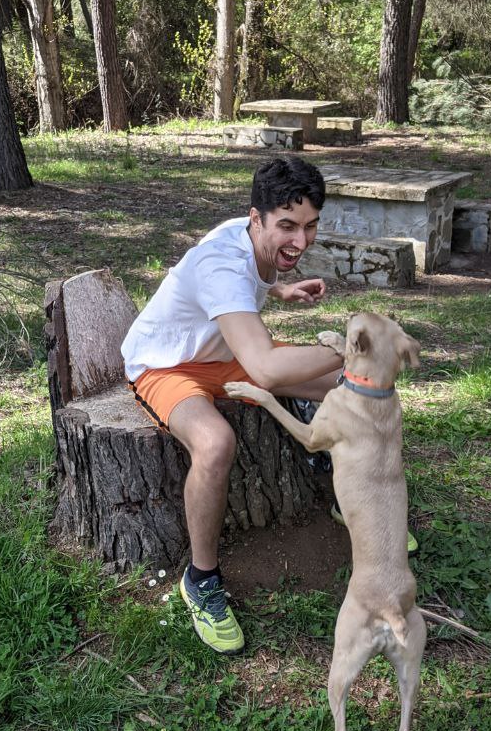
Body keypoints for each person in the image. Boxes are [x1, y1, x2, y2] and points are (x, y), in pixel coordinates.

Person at [121, 155, 344, 655]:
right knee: (216, 443)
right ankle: (201, 579)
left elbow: (249, 279)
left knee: (348, 386)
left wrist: (279, 288)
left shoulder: (241, 234)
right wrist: (354, 348)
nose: (301, 240)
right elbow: (265, 368)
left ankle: (345, 493)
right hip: (166, 364)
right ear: (256, 218)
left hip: (227, 353)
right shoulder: (219, 264)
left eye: (310, 226)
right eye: (287, 226)